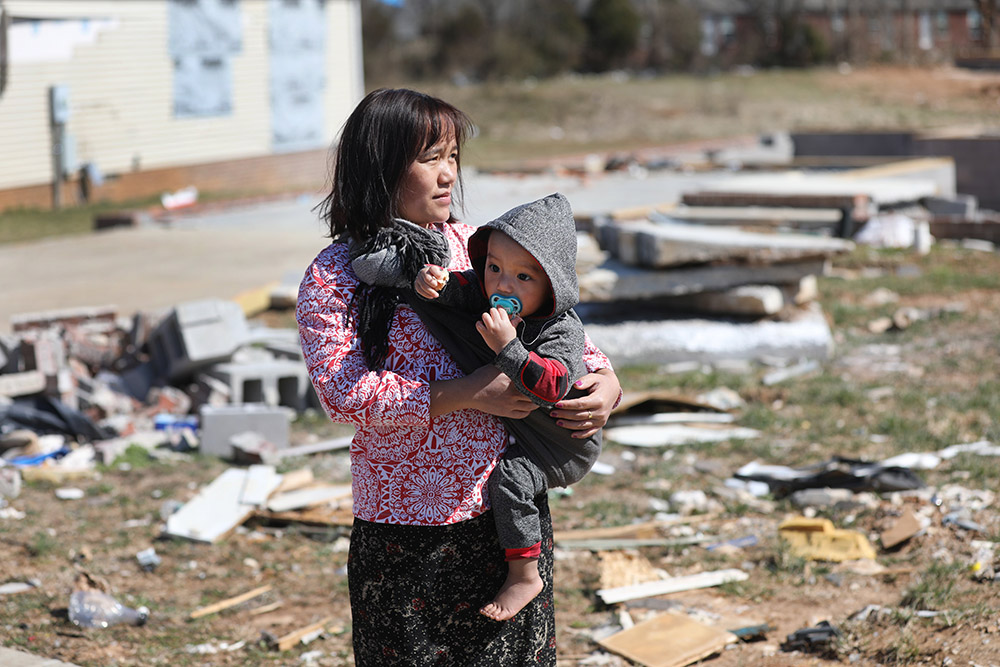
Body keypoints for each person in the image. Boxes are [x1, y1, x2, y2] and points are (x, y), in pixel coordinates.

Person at [297, 88, 622, 665]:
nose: (448, 175)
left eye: (453, 157)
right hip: (404, 530)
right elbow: (343, 395)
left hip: (502, 520)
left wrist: (606, 384)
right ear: (380, 166)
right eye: (430, 158)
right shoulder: (336, 278)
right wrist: (468, 394)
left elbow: (561, 331)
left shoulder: (477, 251)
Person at [350, 192, 601, 621]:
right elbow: (463, 291)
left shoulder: (561, 329)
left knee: (512, 482)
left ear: (554, 285)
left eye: (524, 277)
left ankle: (524, 574)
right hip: (415, 503)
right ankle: (524, 572)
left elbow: (553, 384)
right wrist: (438, 284)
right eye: (495, 268)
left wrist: (510, 350)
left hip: (557, 445)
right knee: (508, 480)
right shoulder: (490, 295)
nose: (503, 285)